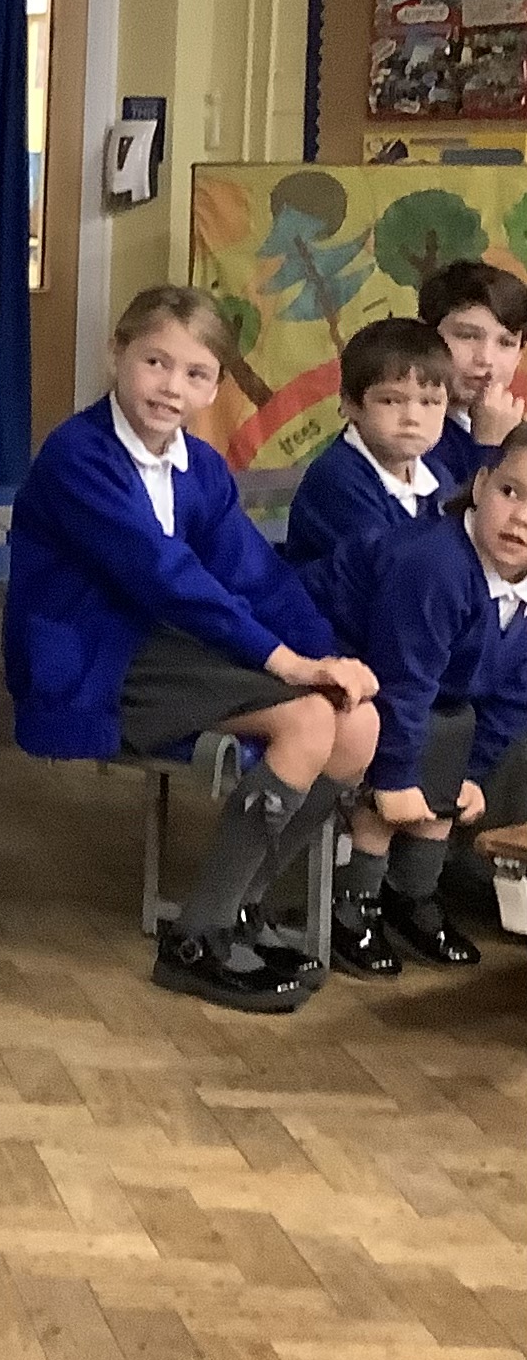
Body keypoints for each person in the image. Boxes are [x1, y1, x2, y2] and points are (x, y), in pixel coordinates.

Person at [5, 285, 380, 1013]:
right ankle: (195, 941)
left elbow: (257, 577)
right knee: (305, 720)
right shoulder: (78, 455)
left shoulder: (200, 467)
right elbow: (164, 576)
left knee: (354, 720)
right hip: (93, 663)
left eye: (196, 373)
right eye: (155, 362)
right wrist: (286, 665)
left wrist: (328, 660)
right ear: (116, 354)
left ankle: (239, 907)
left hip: (168, 651)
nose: (172, 386)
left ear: (214, 387)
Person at [302, 428, 527, 976]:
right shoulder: (436, 564)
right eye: (511, 492)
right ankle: (353, 902)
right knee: (412, 735)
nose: (520, 518)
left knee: (454, 726)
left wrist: (472, 774)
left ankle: (411, 893)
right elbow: (402, 681)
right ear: (481, 484)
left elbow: (512, 697)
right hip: (331, 664)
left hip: (419, 687)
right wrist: (395, 781)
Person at [282, 318, 451, 570]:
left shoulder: (437, 477)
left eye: (430, 402)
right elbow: (390, 568)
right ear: (350, 404)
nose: (412, 418)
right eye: (391, 401)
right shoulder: (336, 479)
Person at [418, 260, 527, 488]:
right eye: (467, 336)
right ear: (424, 336)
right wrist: (490, 446)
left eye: (506, 343)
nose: (486, 358)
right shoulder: (407, 431)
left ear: (520, 354)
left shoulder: (517, 431)